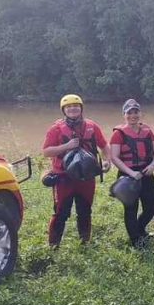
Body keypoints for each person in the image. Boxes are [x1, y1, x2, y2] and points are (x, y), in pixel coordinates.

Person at [42, 94, 110, 247]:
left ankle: (84, 241)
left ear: (81, 108)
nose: (72, 109)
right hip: (64, 177)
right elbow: (46, 151)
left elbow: (104, 146)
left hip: (86, 177)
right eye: (68, 107)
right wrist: (67, 146)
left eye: (76, 106)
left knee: (85, 210)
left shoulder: (92, 126)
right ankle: (53, 244)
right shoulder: (56, 129)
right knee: (61, 212)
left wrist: (107, 160)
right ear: (64, 110)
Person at [109, 99, 154, 247]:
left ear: (140, 113)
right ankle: (136, 240)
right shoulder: (118, 134)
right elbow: (114, 157)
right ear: (124, 115)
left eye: (136, 112)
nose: (133, 115)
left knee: (151, 205)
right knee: (131, 208)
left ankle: (139, 228)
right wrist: (131, 173)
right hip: (127, 176)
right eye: (129, 113)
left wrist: (152, 165)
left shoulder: (147, 131)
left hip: (146, 172)